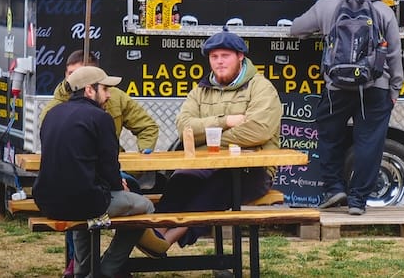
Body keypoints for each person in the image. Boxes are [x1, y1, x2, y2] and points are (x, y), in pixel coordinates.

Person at [289, 0, 404, 216]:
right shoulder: (384, 11)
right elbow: (395, 54)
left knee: (329, 137)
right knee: (369, 143)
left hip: (336, 87)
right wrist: (395, 88)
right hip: (375, 87)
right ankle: (357, 201)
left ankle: (333, 188)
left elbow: (296, 29)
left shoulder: (327, 6)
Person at [33, 66, 168, 278]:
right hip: (87, 202)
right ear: (89, 90)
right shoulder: (100, 117)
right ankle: (107, 269)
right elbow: (109, 165)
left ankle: (82, 271)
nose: (108, 95)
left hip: (46, 201)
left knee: (83, 209)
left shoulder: (52, 114)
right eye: (104, 89)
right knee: (145, 206)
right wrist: (117, 184)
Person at [152, 29, 282, 250]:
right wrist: (226, 121)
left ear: (241, 56)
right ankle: (154, 231)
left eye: (225, 56)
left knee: (220, 185)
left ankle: (168, 238)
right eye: (214, 57)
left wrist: (209, 139)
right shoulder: (200, 91)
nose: (219, 62)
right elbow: (184, 127)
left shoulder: (261, 87)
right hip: (205, 164)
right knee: (181, 179)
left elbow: (258, 131)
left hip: (253, 170)